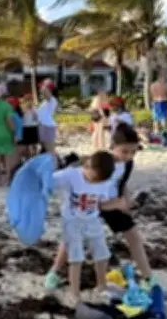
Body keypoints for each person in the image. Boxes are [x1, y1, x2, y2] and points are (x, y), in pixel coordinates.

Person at [45, 124, 159, 290]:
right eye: (125, 151)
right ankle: (54, 272)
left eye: (133, 152)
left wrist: (126, 201)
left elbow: (122, 183)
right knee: (71, 240)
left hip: (113, 203)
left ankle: (148, 277)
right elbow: (85, 185)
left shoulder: (128, 164)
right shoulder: (102, 163)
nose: (129, 156)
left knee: (133, 237)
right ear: (112, 146)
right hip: (90, 203)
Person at [49, 151, 117, 304]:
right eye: (94, 179)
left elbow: (104, 201)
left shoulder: (106, 181)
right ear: (88, 167)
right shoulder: (71, 175)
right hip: (72, 221)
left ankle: (102, 285)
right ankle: (75, 294)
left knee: (103, 253)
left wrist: (119, 203)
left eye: (99, 181)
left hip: (93, 220)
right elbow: (49, 181)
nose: (96, 183)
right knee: (76, 257)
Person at [37, 79, 59, 156]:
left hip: (48, 127)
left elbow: (45, 91)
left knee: (50, 151)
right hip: (43, 127)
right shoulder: (45, 102)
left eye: (44, 88)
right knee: (46, 151)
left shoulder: (52, 100)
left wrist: (45, 84)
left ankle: (55, 166)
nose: (41, 90)